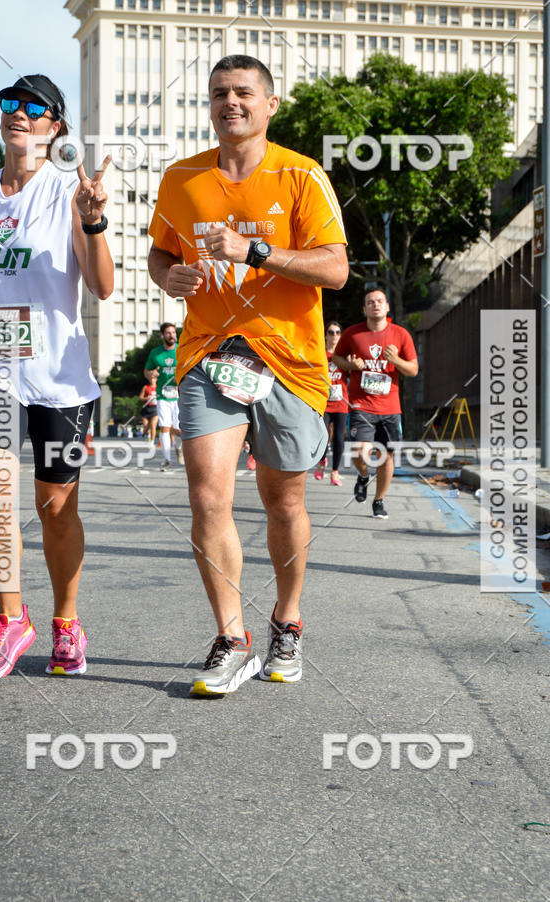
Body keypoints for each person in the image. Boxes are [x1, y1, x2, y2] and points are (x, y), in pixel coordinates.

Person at [147, 54, 348, 696]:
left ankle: (287, 621)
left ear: (269, 104)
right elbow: (160, 251)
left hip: (287, 359)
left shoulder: (301, 175)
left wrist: (256, 250)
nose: (229, 103)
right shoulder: (181, 178)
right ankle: (232, 639)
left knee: (283, 499)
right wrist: (167, 276)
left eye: (242, 93)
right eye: (218, 94)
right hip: (210, 353)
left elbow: (336, 270)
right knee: (208, 495)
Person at [0, 74, 113, 680]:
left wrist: (93, 222)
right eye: (8, 103)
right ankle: (10, 618)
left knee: (54, 507)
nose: (17, 113)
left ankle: (66, 623)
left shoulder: (70, 191)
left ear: (56, 127)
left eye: (33, 107)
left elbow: (102, 285)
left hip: (59, 372)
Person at [333, 287, 418, 519]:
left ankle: (379, 500)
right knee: (360, 452)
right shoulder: (352, 334)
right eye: (370, 302)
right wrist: (351, 365)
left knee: (385, 457)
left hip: (390, 408)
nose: (376, 305)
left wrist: (396, 360)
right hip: (361, 404)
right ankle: (362, 476)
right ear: (364, 308)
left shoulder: (401, 335)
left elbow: (413, 369)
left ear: (387, 306)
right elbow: (337, 358)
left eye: (380, 301)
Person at [143, 322, 183, 471]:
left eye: (173, 332)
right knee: (164, 428)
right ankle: (167, 460)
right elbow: (146, 371)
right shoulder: (155, 353)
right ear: (162, 335)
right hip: (162, 396)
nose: (172, 335)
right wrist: (151, 374)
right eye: (168, 333)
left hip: (179, 396)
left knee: (178, 429)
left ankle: (179, 449)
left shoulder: (181, 349)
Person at [314, 320, 348, 486]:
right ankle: (321, 461)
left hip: (341, 402)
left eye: (337, 332)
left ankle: (335, 471)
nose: (334, 335)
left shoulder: (344, 355)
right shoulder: (319, 353)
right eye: (331, 332)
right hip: (324, 402)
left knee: (339, 439)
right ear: (326, 335)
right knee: (322, 435)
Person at [139, 372, 158, 447]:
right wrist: (147, 398)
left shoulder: (158, 387)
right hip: (147, 408)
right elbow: (140, 397)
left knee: (153, 425)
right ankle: (148, 434)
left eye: (154, 378)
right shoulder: (146, 387)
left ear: (156, 379)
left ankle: (152, 442)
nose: (152, 379)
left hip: (155, 408)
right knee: (146, 427)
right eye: (151, 378)